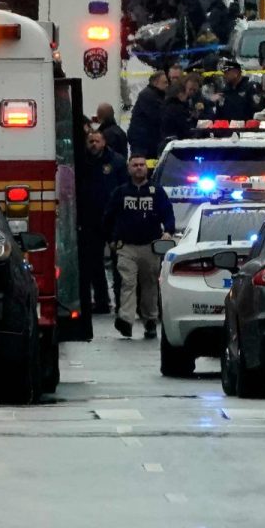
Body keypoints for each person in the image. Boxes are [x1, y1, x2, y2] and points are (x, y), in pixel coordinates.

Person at [105, 156, 174, 339]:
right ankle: (126, 320)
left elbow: (168, 214)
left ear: (147, 168)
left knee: (150, 284)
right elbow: (108, 217)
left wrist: (168, 231)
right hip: (127, 247)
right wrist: (111, 239)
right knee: (128, 283)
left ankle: (150, 320)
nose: (139, 168)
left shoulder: (156, 192)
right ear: (129, 168)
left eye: (142, 165)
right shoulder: (121, 192)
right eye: (135, 165)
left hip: (150, 247)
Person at [77, 129, 123, 314]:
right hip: (91, 219)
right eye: (90, 141)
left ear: (104, 142)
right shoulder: (83, 162)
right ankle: (101, 302)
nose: (93, 145)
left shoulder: (117, 162)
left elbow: (123, 189)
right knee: (93, 263)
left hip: (113, 220)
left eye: (97, 141)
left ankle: (121, 302)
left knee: (119, 262)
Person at [127, 70, 170, 160]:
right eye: (165, 82)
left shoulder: (156, 95)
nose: (167, 85)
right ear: (155, 82)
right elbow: (158, 117)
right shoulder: (148, 96)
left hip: (147, 141)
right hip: (143, 143)